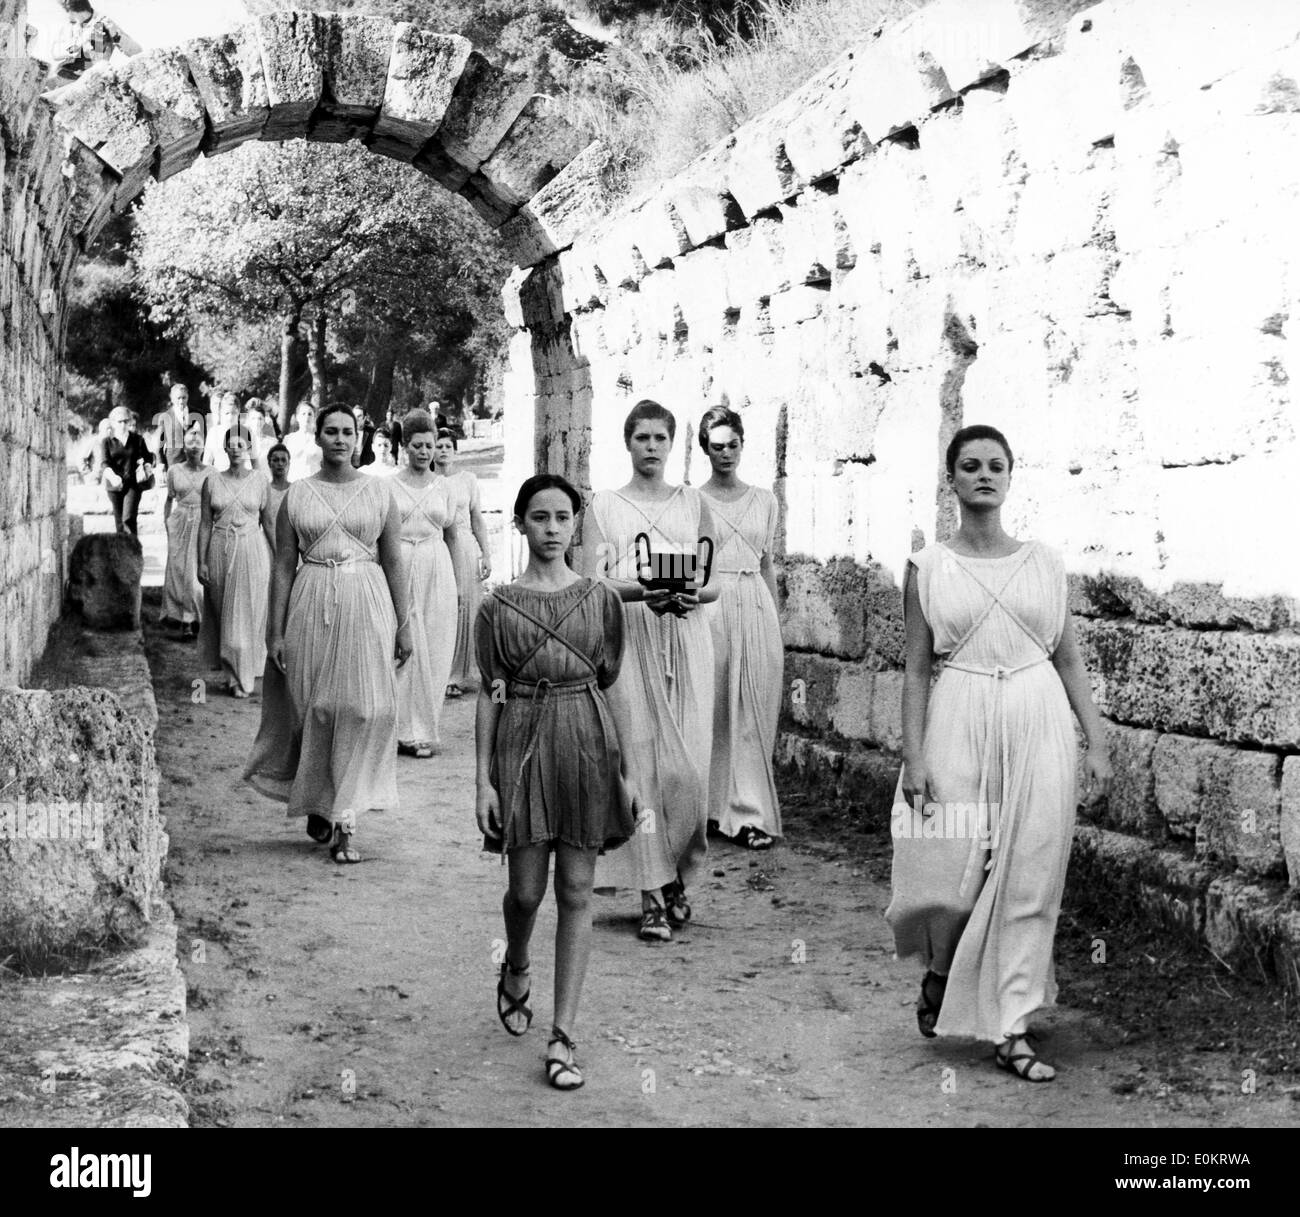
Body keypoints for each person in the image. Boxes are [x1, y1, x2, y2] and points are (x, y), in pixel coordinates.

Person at [886, 424, 1114, 1083]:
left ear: (1011, 478)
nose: (984, 473)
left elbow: (1067, 655)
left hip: (1038, 719)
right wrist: (915, 757)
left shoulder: (1044, 561)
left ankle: (1010, 1025)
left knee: (1029, 876)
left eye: (996, 465)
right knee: (947, 870)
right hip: (958, 716)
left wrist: (1094, 737)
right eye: (970, 465)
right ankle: (940, 969)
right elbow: (916, 668)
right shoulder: (927, 567)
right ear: (951, 480)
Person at [477, 474, 635, 1091]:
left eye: (561, 518)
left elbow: (611, 686)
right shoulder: (496, 606)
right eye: (538, 517)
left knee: (577, 890)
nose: (550, 529)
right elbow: (488, 695)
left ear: (575, 526)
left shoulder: (601, 601)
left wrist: (626, 771)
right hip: (522, 738)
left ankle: (563, 1035)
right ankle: (516, 963)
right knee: (524, 892)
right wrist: (483, 784)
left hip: (584, 742)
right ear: (519, 524)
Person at [243, 405, 413, 864]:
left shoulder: (379, 492)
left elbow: (394, 559)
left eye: (347, 432)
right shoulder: (296, 496)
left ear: (359, 437)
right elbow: (282, 566)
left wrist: (405, 622)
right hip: (311, 597)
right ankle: (320, 797)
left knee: (364, 707)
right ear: (316, 437)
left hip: (366, 600)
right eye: (331, 431)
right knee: (312, 708)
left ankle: (345, 814)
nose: (339, 439)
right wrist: (273, 631)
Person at [581, 400, 720, 942]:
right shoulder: (604, 506)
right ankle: (651, 896)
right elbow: (593, 581)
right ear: (628, 443)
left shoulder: (694, 504)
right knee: (640, 766)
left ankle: (679, 869)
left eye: (661, 438)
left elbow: (712, 581)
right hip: (631, 637)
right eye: (642, 438)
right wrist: (644, 593)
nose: (652, 448)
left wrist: (687, 595)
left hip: (686, 638)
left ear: (672, 444)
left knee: (686, 773)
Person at [697, 407, 783, 851]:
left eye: (733, 445)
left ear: (743, 446)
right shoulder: (692, 501)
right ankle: (712, 808)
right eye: (717, 446)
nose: (726, 453)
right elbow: (687, 563)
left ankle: (749, 813)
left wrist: (775, 621)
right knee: (713, 707)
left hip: (754, 604)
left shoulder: (764, 500)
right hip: (710, 605)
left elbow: (766, 562)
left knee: (752, 708)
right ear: (704, 449)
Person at [391, 411, 458, 758]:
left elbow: (453, 534)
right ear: (404, 446)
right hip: (400, 563)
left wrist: (459, 584)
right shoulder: (389, 485)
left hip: (436, 566)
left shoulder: (445, 487)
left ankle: (425, 729)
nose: (424, 452)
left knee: (435, 644)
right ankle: (402, 730)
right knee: (404, 646)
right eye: (416, 445)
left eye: (429, 446)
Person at [197, 428, 273, 698]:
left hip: (253, 550)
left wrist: (280, 561)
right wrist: (201, 561)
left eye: (242, 444)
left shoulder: (260, 481)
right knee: (225, 617)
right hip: (221, 549)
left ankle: (245, 675)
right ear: (225, 449)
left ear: (249, 447)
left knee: (249, 615)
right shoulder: (212, 482)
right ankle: (232, 675)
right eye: (231, 444)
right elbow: (205, 524)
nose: (237, 449)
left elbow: (270, 524)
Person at [434, 428, 491, 696]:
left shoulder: (467, 479)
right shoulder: (429, 480)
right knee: (443, 605)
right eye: (438, 445)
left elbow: (476, 517)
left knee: (467, 607)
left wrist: (486, 552)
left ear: (455, 450)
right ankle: (441, 673)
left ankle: (460, 673)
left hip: (466, 546)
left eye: (447, 446)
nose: (442, 450)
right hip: (439, 547)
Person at [161, 426, 210, 637]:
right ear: (184, 446)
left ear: (204, 447)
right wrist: (167, 523)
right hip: (180, 520)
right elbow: (168, 499)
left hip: (202, 520)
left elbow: (215, 503)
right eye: (190, 443)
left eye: (198, 443)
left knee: (194, 571)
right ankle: (177, 614)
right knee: (177, 569)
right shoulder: (174, 470)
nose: (193, 448)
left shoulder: (212, 472)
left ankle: (193, 618)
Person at [94, 405, 154, 536]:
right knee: (120, 522)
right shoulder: (107, 442)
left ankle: (133, 553)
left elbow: (149, 457)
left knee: (129, 519)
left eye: (125, 421)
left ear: (129, 422)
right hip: (114, 486)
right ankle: (121, 553)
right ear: (113, 423)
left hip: (133, 484)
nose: (122, 424)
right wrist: (113, 477)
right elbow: (104, 463)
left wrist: (147, 468)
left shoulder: (137, 439)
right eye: (119, 421)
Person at [48, 1, 141, 84]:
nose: (65, 16)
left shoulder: (101, 24)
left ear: (73, 12)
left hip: (89, 79)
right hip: (63, 74)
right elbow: (55, 53)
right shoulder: (70, 25)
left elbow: (136, 51)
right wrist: (75, 47)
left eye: (66, 12)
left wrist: (117, 36)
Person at [153, 383, 202, 471]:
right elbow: (159, 444)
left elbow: (203, 439)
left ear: (188, 396)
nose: (181, 401)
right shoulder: (165, 417)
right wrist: (160, 463)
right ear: (172, 399)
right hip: (173, 463)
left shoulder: (198, 414)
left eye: (184, 397)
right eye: (178, 398)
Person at [283, 402, 322, 483]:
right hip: (293, 483)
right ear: (297, 417)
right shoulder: (289, 439)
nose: (307, 416)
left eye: (310, 414)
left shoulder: (320, 440)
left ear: (314, 417)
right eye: (303, 413)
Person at [264, 442, 292, 551]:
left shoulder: (295, 490)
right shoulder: (264, 490)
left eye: (283, 460)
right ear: (269, 463)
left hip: (290, 544)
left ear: (289, 463)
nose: (280, 463)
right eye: (275, 460)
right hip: (267, 545)